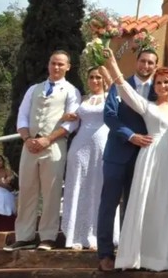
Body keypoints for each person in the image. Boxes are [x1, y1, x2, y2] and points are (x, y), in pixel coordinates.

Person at [101, 51, 168, 271]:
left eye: (166, 82)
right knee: (140, 205)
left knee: (165, 207)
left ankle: (162, 256)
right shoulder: (148, 106)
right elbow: (124, 89)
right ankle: (126, 254)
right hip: (148, 157)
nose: (162, 86)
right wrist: (112, 63)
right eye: (159, 83)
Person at [3, 51, 80, 252]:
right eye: (53, 63)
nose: (56, 67)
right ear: (48, 64)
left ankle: (48, 236)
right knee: (26, 191)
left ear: (68, 67)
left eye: (61, 64)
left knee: (51, 193)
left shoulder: (71, 91)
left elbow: (71, 123)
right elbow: (22, 117)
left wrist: (48, 139)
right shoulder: (33, 89)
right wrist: (27, 139)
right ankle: (24, 236)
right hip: (30, 146)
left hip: (54, 146)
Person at [95, 49, 156, 271]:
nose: (146, 66)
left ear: (155, 66)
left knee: (134, 206)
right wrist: (130, 135)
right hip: (117, 154)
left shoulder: (158, 89)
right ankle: (105, 253)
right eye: (143, 61)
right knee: (109, 204)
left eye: (150, 63)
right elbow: (109, 115)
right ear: (136, 62)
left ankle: (128, 252)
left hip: (144, 157)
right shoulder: (119, 85)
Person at [61, 65, 113, 250]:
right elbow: (71, 119)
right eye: (92, 77)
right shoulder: (83, 99)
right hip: (80, 145)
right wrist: (65, 116)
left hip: (102, 144)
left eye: (98, 77)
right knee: (78, 185)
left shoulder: (111, 97)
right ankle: (75, 234)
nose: (95, 80)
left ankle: (96, 234)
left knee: (98, 187)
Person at [0, 154, 18, 232]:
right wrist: (1, 182)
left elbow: (9, 186)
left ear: (3, 162)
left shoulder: (7, 171)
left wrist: (0, 183)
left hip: (5, 192)